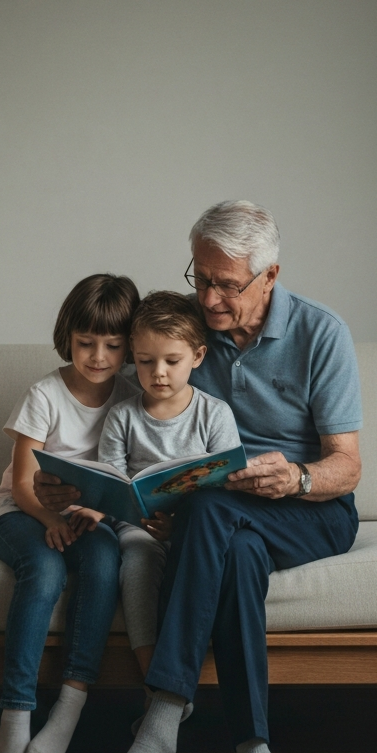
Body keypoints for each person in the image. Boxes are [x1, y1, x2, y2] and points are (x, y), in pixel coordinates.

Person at [37, 201, 362, 753]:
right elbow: (119, 399)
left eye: (227, 285)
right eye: (201, 277)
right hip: (221, 517)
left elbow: (346, 466)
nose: (210, 299)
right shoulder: (191, 335)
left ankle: (158, 729)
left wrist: (296, 477)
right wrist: (71, 479)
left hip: (309, 509)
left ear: (269, 276)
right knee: (233, 548)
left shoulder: (322, 334)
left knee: (213, 506)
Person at [0, 273, 140, 753]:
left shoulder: (131, 396)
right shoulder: (44, 394)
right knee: (46, 571)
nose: (98, 356)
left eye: (113, 346)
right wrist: (49, 521)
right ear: (67, 337)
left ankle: (71, 704)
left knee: (103, 564)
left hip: (87, 516)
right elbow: (24, 484)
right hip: (20, 513)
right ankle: (15, 720)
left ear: (129, 347)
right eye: (86, 343)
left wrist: (99, 514)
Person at [68, 291, 241, 703]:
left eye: (171, 361)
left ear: (197, 356)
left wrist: (179, 526)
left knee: (207, 560)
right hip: (139, 528)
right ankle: (155, 685)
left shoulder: (213, 414)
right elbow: (112, 481)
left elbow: (228, 482)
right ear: (132, 358)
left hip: (195, 529)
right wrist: (99, 509)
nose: (158, 373)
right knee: (138, 563)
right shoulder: (123, 416)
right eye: (145, 362)